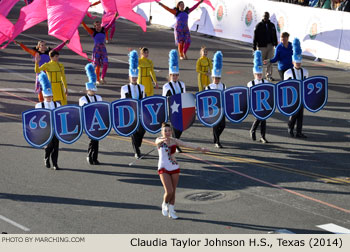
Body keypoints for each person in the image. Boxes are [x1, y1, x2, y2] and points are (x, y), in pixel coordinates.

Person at [155, 123, 207, 219]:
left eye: (169, 130)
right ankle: (164, 204)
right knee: (169, 191)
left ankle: (172, 210)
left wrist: (201, 149)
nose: (167, 132)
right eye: (165, 131)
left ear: (171, 131)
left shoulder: (174, 141)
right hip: (163, 168)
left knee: (173, 191)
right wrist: (163, 140)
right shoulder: (159, 140)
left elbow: (187, 144)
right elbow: (157, 142)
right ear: (162, 132)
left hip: (174, 167)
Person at [120, 50, 146, 159]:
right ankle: (137, 151)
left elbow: (144, 99)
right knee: (134, 132)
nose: (134, 79)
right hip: (130, 113)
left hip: (139, 112)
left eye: (136, 77)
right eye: (133, 77)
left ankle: (138, 145)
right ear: (129, 77)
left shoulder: (142, 87)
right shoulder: (125, 88)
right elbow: (122, 101)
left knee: (142, 130)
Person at [35, 72, 61, 170]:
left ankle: (55, 163)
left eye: (50, 96)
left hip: (55, 128)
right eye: (47, 96)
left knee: (56, 146)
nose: (49, 98)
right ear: (44, 96)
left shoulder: (57, 105)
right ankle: (46, 159)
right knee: (48, 146)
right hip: (46, 129)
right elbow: (37, 118)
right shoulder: (39, 105)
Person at [284, 38, 309, 138]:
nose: (298, 64)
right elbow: (284, 86)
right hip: (293, 96)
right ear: (293, 62)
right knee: (293, 114)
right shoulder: (288, 72)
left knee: (300, 115)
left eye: (299, 62)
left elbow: (307, 84)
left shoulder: (305, 71)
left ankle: (299, 132)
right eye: (296, 62)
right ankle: (290, 128)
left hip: (301, 95)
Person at [162, 49, 186, 152]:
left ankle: (175, 142)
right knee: (175, 127)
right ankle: (175, 145)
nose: (175, 77)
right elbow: (164, 99)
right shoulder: (166, 86)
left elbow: (185, 96)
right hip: (171, 109)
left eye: (176, 75)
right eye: (173, 75)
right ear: (170, 75)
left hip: (180, 108)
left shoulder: (182, 84)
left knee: (180, 128)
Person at [81, 15, 116, 84]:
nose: (98, 26)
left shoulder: (104, 30)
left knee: (105, 63)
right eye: (97, 25)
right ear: (95, 26)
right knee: (97, 65)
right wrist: (81, 19)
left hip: (103, 48)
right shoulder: (93, 32)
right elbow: (85, 27)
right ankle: (97, 79)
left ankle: (102, 77)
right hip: (96, 49)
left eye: (99, 24)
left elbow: (110, 24)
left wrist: (114, 16)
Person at [79, 63, 103, 165]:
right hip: (89, 122)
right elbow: (83, 111)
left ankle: (95, 157)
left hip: (97, 122)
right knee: (92, 140)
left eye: (93, 90)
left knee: (96, 140)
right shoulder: (83, 99)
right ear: (87, 90)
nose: (93, 91)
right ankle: (89, 156)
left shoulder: (99, 98)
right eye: (91, 90)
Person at [247, 50, 269, 143]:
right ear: (254, 74)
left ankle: (262, 136)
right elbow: (248, 95)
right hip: (256, 104)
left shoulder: (266, 82)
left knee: (263, 119)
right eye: (258, 74)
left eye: (260, 74)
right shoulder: (250, 83)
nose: (259, 76)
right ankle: (253, 130)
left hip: (264, 104)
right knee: (259, 118)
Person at [205, 51, 226, 148]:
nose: (217, 79)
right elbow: (204, 99)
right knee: (216, 125)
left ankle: (215, 136)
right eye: (215, 78)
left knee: (223, 125)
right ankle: (217, 141)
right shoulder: (209, 87)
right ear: (212, 77)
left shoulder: (223, 85)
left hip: (221, 108)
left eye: (218, 78)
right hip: (213, 110)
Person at [253, 12, 278, 81]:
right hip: (261, 46)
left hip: (270, 45)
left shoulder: (272, 25)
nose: (265, 17)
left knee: (270, 61)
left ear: (269, 17)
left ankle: (268, 75)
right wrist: (254, 48)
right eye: (264, 16)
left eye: (267, 16)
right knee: (259, 62)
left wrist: (276, 45)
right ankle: (258, 75)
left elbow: (275, 36)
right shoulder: (258, 26)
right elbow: (255, 37)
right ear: (262, 17)